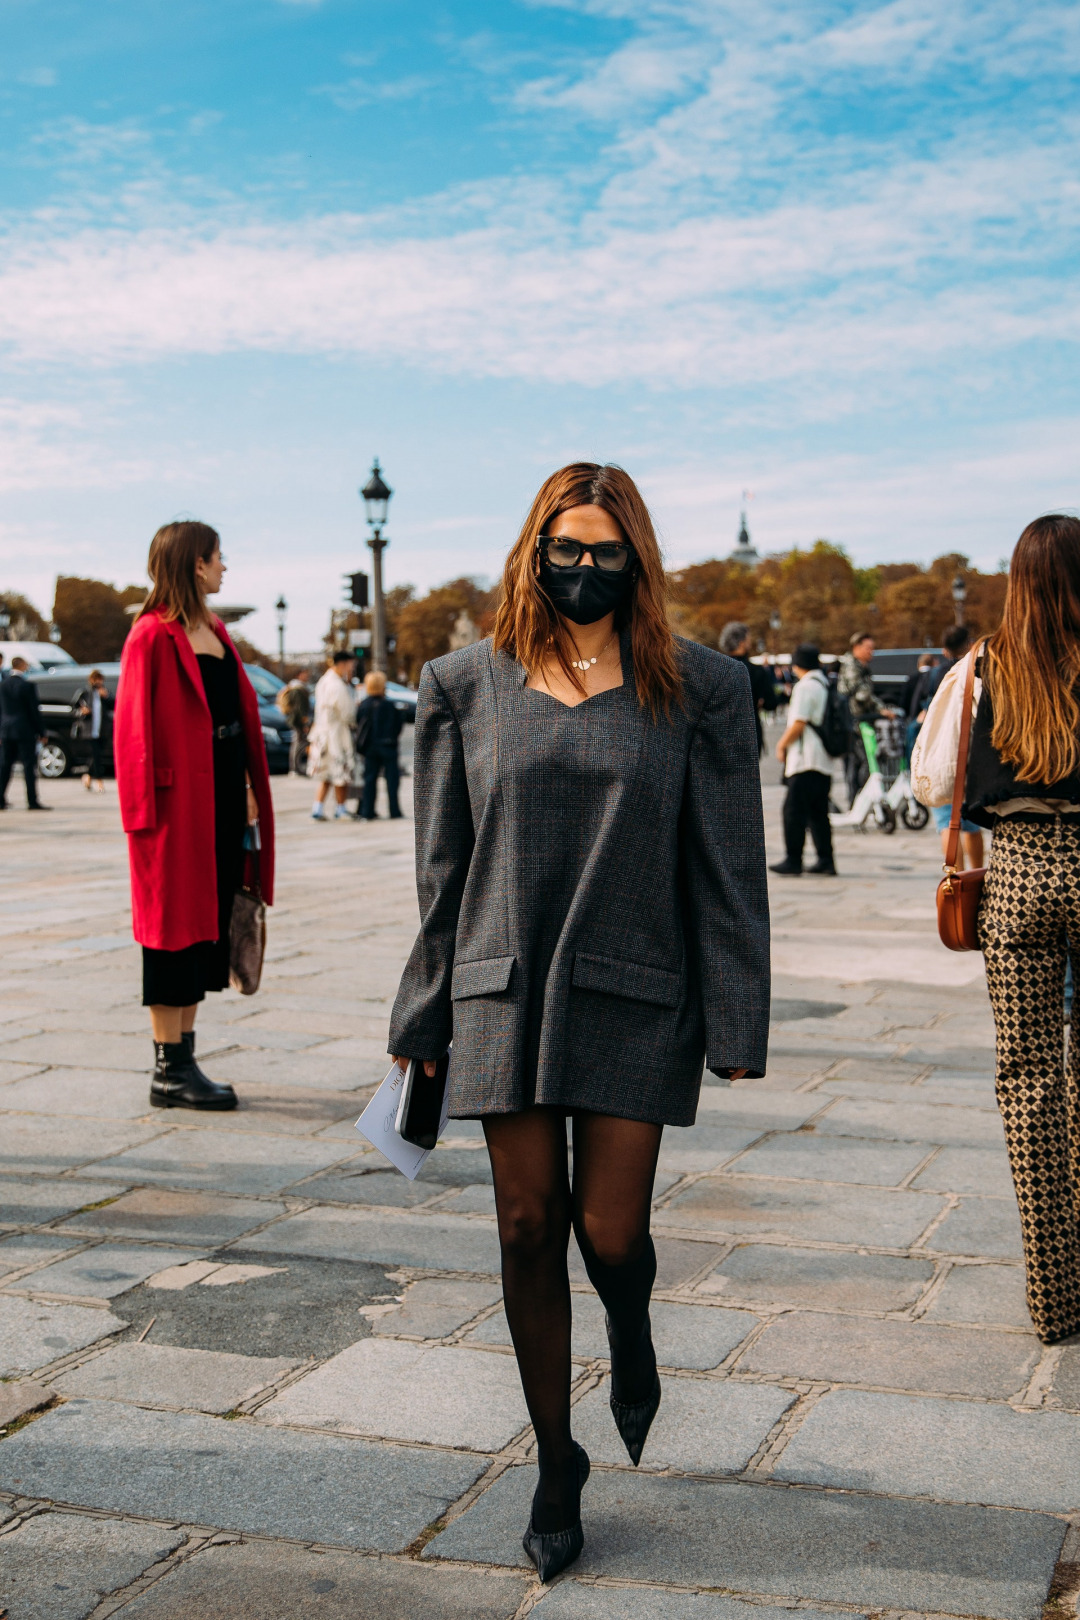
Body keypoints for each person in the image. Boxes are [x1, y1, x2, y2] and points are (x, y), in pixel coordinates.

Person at [388, 462, 770, 1581]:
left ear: (638, 558)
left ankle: (634, 1327)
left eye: (607, 551)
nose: (585, 568)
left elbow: (730, 867)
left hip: (635, 987)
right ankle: (558, 1459)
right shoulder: (463, 681)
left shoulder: (699, 687)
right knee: (521, 1226)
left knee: (609, 1234)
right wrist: (420, 1007)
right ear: (534, 551)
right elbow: (441, 868)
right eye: (568, 548)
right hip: (500, 985)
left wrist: (737, 1016)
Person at [911, 514, 1080, 1343]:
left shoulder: (982, 666)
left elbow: (930, 779)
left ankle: (1055, 1295)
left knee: (1028, 1076)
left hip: (1016, 870)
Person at [113, 521, 275, 1110]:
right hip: (173, 809)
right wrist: (142, 820)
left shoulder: (215, 630)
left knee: (205, 924)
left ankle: (184, 1055)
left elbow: (231, 719)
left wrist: (248, 789)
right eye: (218, 558)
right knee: (169, 932)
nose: (225, 567)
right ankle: (169, 1068)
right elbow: (131, 732)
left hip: (222, 801)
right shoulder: (150, 635)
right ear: (195, 564)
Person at [769, 644, 836, 876]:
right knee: (818, 813)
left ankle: (793, 859)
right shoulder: (824, 683)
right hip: (823, 759)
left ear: (798, 665)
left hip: (806, 758)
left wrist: (781, 744)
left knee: (793, 811)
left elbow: (799, 722)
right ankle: (826, 860)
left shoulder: (806, 686)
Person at [307, 651, 357, 820]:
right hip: (336, 733)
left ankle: (318, 808)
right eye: (351, 664)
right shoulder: (337, 685)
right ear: (343, 664)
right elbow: (348, 712)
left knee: (326, 773)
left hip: (321, 731)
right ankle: (341, 808)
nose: (352, 668)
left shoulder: (323, 681)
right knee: (341, 772)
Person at [719, 621, 777, 755]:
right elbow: (771, 702)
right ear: (742, 643)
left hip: (722, 732)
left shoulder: (717, 669)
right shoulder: (756, 671)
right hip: (749, 731)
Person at [0, 656, 49, 811]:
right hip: (24, 730)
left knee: (5, 766)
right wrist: (41, 731)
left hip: (7, 730)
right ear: (21, 665)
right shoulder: (27, 686)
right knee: (28, 766)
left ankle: (0, 798)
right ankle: (32, 800)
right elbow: (33, 711)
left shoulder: (3, 685)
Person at [356, 669, 404, 820]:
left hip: (370, 747)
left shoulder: (363, 705)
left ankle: (367, 811)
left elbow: (358, 724)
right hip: (388, 746)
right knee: (392, 780)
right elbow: (397, 726)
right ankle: (394, 810)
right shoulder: (389, 705)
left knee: (370, 779)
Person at [74, 668, 113, 792]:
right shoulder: (84, 692)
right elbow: (74, 708)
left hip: (102, 729)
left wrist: (106, 696)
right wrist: (83, 711)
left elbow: (114, 705)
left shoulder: (105, 692)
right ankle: (99, 781)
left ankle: (88, 776)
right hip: (89, 729)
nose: (99, 682)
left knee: (97, 754)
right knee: (96, 755)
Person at [277, 669, 312, 774]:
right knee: (298, 743)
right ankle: (295, 768)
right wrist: (304, 722)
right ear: (299, 675)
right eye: (305, 674)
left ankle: (295, 767)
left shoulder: (295, 687)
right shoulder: (298, 689)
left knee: (297, 742)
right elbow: (300, 707)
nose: (307, 676)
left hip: (294, 719)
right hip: (298, 720)